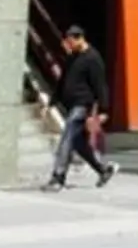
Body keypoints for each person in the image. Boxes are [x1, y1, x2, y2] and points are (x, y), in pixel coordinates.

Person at [46, 27, 115, 190]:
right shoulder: (72, 58)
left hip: (83, 105)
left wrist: (104, 110)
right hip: (70, 105)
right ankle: (103, 169)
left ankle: (58, 176)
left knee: (67, 136)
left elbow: (100, 85)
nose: (69, 46)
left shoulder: (93, 58)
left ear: (80, 39)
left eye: (71, 42)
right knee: (78, 143)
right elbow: (62, 80)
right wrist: (52, 101)